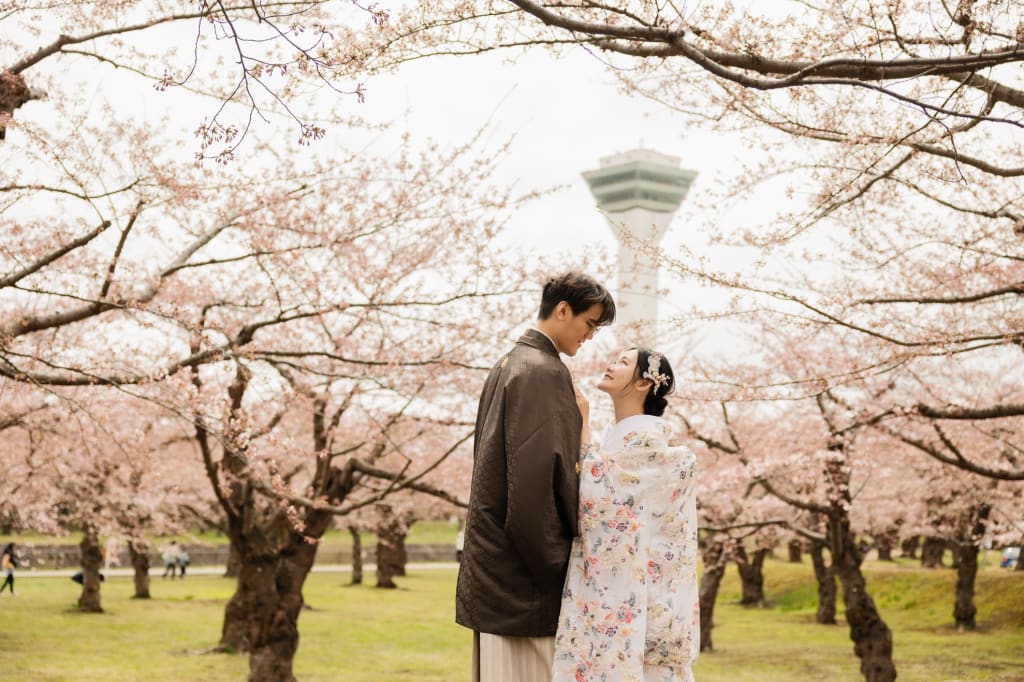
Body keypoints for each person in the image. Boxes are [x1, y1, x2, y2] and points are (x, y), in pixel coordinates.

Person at [456, 272, 616, 682]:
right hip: (525, 585)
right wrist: (563, 570)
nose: (590, 336)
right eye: (589, 323)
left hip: (498, 571)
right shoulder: (543, 371)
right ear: (562, 310)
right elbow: (535, 487)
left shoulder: (510, 363)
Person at [552, 347, 699, 681]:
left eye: (623, 362)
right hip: (628, 593)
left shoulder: (655, 449)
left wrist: (583, 426)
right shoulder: (615, 441)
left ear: (644, 383)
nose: (610, 364)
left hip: (648, 602)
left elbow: (600, 497)